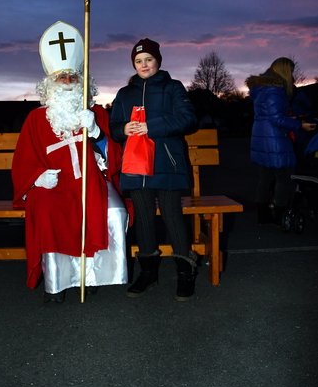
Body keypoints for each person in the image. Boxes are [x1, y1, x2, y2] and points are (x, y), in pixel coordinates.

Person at [12, 21, 128, 303]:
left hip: (92, 180)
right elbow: (23, 160)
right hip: (55, 183)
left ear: (81, 81)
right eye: (61, 77)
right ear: (50, 83)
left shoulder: (95, 112)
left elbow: (113, 159)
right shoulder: (36, 119)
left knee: (114, 212)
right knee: (48, 209)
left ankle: (96, 276)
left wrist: (98, 133)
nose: (66, 81)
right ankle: (58, 283)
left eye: (72, 77)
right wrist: (38, 177)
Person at [109, 38, 198, 301]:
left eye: (148, 59)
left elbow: (188, 119)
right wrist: (122, 129)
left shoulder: (172, 88)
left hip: (166, 162)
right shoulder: (124, 94)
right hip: (136, 165)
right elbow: (114, 127)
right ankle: (148, 273)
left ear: (158, 61)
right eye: (138, 61)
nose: (144, 64)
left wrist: (152, 126)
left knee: (172, 215)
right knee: (145, 218)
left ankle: (185, 273)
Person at [245, 57, 316, 226]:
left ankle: (263, 215)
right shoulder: (275, 90)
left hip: (263, 139)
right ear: (285, 71)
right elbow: (277, 119)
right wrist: (300, 124)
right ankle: (279, 213)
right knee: (284, 178)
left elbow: (270, 115)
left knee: (265, 177)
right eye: (291, 71)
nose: (292, 75)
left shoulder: (262, 89)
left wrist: (291, 118)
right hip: (275, 140)